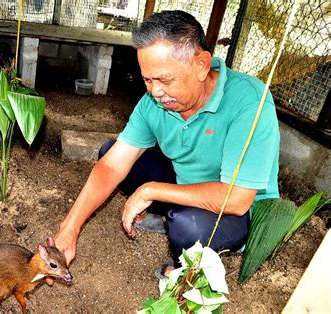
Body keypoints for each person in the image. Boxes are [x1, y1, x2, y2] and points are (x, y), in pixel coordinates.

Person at [54, 10, 280, 278]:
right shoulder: (155, 102)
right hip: (185, 183)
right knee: (110, 152)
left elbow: (237, 199)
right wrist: (69, 229)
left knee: (188, 226)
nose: (155, 91)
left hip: (236, 209)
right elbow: (112, 165)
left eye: (165, 79)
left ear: (201, 64)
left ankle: (184, 264)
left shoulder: (249, 102)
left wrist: (150, 191)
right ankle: (168, 217)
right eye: (147, 80)